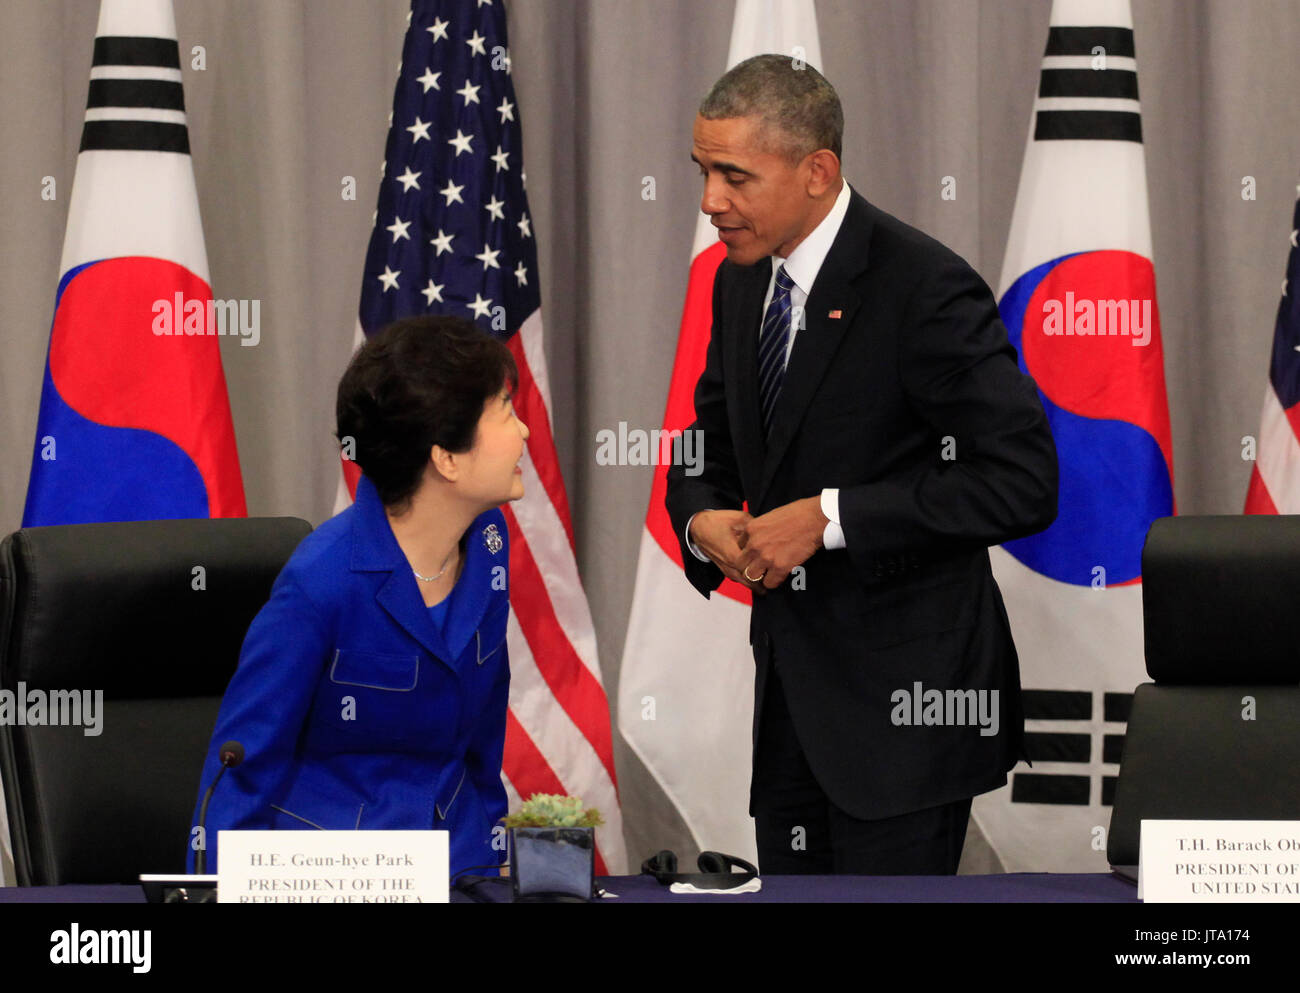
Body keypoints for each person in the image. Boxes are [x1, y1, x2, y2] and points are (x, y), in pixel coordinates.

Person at [666, 54, 1058, 875]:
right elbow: (708, 444)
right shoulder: (740, 284)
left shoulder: (924, 288)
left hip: (907, 721)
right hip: (788, 716)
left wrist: (832, 519)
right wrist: (700, 519)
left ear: (818, 171)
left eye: (735, 176)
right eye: (704, 172)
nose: (711, 202)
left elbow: (1022, 480)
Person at [186, 315, 528, 879]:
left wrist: (490, 858)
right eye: (506, 412)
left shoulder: (489, 545)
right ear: (446, 458)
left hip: (462, 868)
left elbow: (483, 737)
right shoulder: (322, 580)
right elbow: (241, 765)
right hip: (341, 874)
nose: (525, 433)